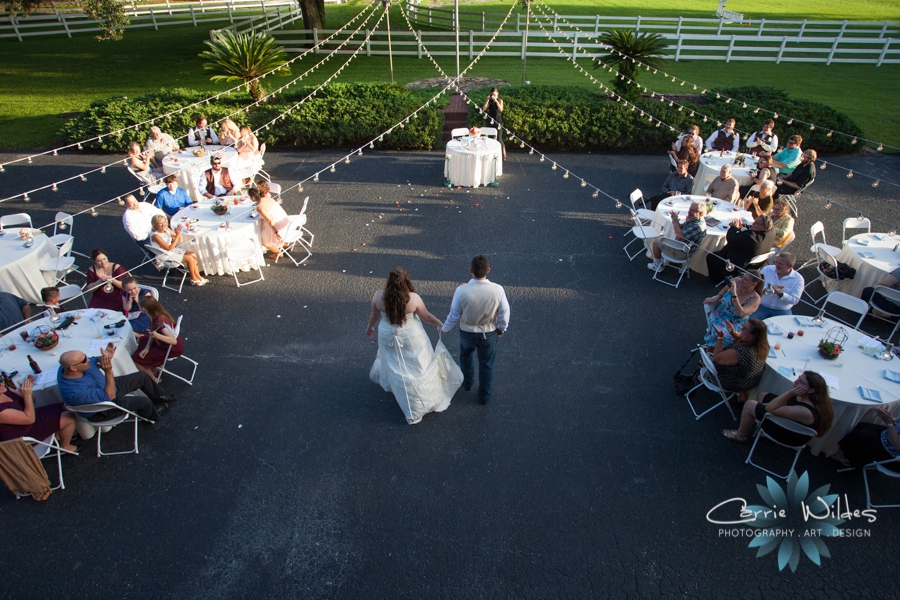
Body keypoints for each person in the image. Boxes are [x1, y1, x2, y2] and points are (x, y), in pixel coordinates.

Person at [366, 268, 463, 425]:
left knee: (394, 363)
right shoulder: (413, 299)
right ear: (406, 282)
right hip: (410, 336)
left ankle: (400, 390)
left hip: (387, 334)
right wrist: (440, 324)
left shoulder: (378, 296)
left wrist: (369, 327)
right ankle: (421, 397)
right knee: (418, 363)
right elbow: (426, 316)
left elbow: (374, 315)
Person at [441, 255, 510, 405]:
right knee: (486, 364)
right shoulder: (498, 290)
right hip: (488, 332)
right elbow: (504, 313)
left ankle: (467, 382)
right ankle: (484, 395)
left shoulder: (461, 290)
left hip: (467, 332)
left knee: (465, 356)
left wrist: (445, 328)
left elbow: (454, 314)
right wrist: (501, 329)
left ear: (471, 270)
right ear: (488, 270)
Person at [57, 345, 177, 423]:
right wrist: (108, 371)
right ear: (73, 368)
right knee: (143, 402)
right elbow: (110, 396)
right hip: (103, 407)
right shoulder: (76, 392)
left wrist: (104, 358)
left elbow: (94, 359)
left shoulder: (70, 367)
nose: (88, 360)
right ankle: (152, 416)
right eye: (84, 360)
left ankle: (159, 397)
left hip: (106, 387)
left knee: (141, 376)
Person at [723, 371, 834, 443]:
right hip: (791, 420)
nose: (795, 382)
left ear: (811, 390)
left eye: (801, 382)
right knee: (761, 395)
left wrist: (790, 393)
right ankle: (757, 424)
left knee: (749, 405)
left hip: (789, 433)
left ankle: (741, 435)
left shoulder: (806, 411)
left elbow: (769, 409)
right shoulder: (808, 398)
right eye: (798, 378)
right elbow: (785, 404)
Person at [0, 375, 78, 453]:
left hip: (30, 420)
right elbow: (29, 419)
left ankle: (59, 436)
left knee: (67, 406)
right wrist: (27, 396)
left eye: (1, 379)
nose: (2, 384)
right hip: (22, 435)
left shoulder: (4, 390)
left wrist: (28, 390)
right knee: (69, 417)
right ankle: (65, 446)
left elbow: (32, 400)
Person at [710, 318, 769, 404]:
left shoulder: (739, 353)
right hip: (751, 380)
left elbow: (717, 357)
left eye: (745, 329)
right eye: (743, 326)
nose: (741, 329)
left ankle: (703, 378)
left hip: (734, 382)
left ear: (753, 336)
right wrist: (732, 332)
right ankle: (743, 394)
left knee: (707, 364)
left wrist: (720, 337)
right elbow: (744, 339)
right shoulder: (763, 346)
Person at [706, 215, 776, 285]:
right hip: (752, 259)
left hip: (737, 262)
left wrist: (734, 227)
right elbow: (751, 228)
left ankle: (716, 279)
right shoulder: (772, 230)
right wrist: (743, 226)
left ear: (764, 227)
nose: (753, 224)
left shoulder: (751, 237)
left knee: (711, 257)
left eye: (756, 223)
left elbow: (731, 238)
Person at [703, 270, 763, 347]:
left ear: (754, 284)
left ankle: (720, 353)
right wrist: (717, 297)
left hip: (736, 323)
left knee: (729, 337)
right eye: (742, 277)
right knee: (719, 333)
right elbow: (725, 289)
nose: (742, 280)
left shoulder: (755, 299)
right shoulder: (737, 281)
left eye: (745, 279)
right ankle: (713, 352)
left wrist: (734, 294)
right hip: (719, 315)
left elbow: (740, 312)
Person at [647, 201, 707, 272]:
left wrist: (675, 222)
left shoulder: (697, 226)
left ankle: (657, 266)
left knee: (656, 242)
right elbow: (681, 228)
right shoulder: (694, 219)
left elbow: (680, 237)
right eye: (690, 209)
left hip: (683, 253)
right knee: (662, 239)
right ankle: (684, 266)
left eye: (692, 211)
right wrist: (675, 219)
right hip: (683, 248)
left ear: (700, 214)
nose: (689, 212)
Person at [131, 296, 183, 378]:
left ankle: (153, 380)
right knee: (142, 340)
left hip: (170, 348)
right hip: (164, 344)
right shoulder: (158, 315)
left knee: (137, 360)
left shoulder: (159, 323)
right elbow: (153, 333)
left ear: (144, 309)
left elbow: (173, 341)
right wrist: (147, 348)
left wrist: (157, 336)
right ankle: (159, 368)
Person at [832, 407, 900, 469]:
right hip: (887, 435)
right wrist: (891, 418)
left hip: (890, 453)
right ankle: (850, 453)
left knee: (858, 436)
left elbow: (897, 445)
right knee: (858, 426)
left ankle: (848, 459)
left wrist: (889, 422)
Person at [149, 215, 207, 286]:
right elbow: (169, 248)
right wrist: (177, 235)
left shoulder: (166, 229)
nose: (163, 224)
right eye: (160, 223)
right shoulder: (156, 236)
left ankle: (198, 276)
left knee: (193, 254)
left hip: (171, 251)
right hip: (165, 256)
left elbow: (180, 240)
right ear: (155, 225)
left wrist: (178, 233)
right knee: (190, 258)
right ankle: (193, 278)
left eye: (164, 222)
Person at [750, 253, 805, 319]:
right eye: (776, 262)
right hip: (761, 306)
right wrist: (767, 289)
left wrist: (781, 294)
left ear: (789, 266)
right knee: (749, 325)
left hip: (782, 311)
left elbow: (795, 300)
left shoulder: (798, 279)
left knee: (784, 329)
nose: (777, 265)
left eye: (780, 264)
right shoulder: (767, 270)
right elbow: (755, 287)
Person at [249, 186, 289, 257]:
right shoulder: (268, 198)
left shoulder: (260, 207)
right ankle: (284, 245)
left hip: (277, 224)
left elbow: (270, 220)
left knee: (262, 240)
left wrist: (276, 232)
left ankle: (278, 253)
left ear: (253, 197)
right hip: (284, 219)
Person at [482, 87, 505, 160]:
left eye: (495, 95)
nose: (493, 96)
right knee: (489, 138)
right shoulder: (490, 101)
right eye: (492, 94)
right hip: (490, 120)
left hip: (498, 121)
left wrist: (496, 101)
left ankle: (503, 152)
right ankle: (490, 153)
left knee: (499, 138)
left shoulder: (500, 100)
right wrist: (487, 100)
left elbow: (500, 109)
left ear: (497, 94)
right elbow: (484, 109)